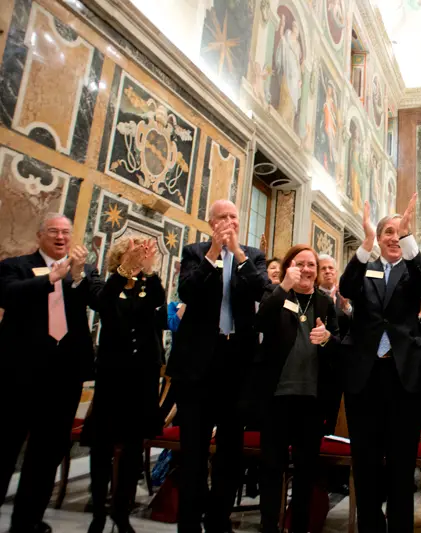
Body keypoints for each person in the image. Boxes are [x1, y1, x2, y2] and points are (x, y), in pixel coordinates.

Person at [166, 199, 269, 533]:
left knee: (230, 449)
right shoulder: (195, 253)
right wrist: (213, 252)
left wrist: (237, 253)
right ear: (211, 223)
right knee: (193, 448)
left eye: (234, 217)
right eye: (222, 217)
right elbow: (188, 291)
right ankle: (189, 520)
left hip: (236, 365)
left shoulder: (252, 256)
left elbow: (259, 291)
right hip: (197, 364)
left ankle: (219, 518)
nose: (229, 222)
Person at [0, 213, 102, 533]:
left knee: (47, 454)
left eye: (66, 233)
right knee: (4, 447)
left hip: (64, 376)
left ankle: (27, 521)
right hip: (20, 373)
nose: (60, 237)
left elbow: (99, 300)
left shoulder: (81, 271)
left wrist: (76, 275)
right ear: (40, 235)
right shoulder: (16, 265)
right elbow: (9, 295)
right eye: (54, 232)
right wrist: (50, 278)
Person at [338, 194, 421, 533]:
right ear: (378, 238)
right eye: (388, 232)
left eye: (400, 232)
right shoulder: (366, 268)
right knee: (365, 461)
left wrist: (410, 237)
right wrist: (364, 244)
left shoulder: (412, 271)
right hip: (364, 378)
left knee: (401, 462)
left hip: (403, 378)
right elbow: (346, 288)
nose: (394, 237)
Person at [254, 245, 339, 533]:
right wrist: (284, 286)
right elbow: (261, 321)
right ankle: (268, 526)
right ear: (289, 266)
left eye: (311, 265)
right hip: (276, 398)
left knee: (306, 472)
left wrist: (327, 338)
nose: (306, 269)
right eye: (299, 264)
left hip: (311, 401)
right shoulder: (278, 295)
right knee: (271, 468)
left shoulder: (326, 303)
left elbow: (339, 345)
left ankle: (299, 526)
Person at [86, 237, 165, 533]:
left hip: (141, 378)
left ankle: (121, 512)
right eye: (129, 255)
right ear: (119, 258)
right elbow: (102, 303)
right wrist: (124, 272)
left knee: (133, 448)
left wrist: (148, 269)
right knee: (102, 447)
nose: (134, 259)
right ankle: (97, 513)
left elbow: (158, 299)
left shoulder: (148, 287)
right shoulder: (106, 285)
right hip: (112, 376)